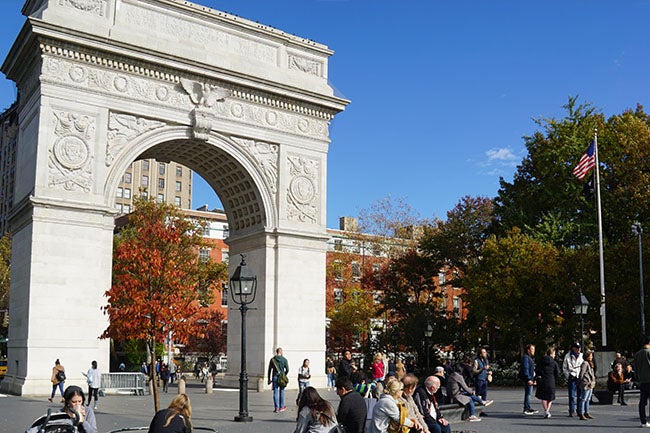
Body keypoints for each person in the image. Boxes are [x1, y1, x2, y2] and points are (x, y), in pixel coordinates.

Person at [535, 346, 560, 419]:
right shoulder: (554, 363)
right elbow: (557, 372)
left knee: (543, 397)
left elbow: (537, 370)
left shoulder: (541, 361)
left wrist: (537, 377)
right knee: (550, 397)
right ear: (551, 354)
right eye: (554, 354)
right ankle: (547, 410)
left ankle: (546, 410)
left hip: (542, 380)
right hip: (551, 380)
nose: (555, 355)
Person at [562, 342, 584, 417]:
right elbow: (564, 367)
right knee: (571, 395)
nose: (579, 350)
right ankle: (571, 410)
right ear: (573, 348)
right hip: (572, 377)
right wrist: (568, 375)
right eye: (577, 348)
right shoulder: (568, 356)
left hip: (580, 377)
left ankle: (580, 410)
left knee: (580, 395)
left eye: (579, 348)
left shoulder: (581, 355)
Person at [633, 335, 650, 428]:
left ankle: (643, 421)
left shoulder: (637, 354)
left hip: (642, 381)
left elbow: (635, 369)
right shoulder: (649, 352)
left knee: (642, 402)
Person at [268, 347, 289, 413]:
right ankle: (281, 406)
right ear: (281, 352)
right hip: (281, 377)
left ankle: (276, 408)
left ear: (276, 352)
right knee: (282, 391)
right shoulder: (284, 359)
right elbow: (287, 369)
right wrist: (284, 374)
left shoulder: (272, 360)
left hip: (275, 377)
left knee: (275, 392)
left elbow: (269, 370)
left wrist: (269, 378)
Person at [578, 350, 596, 420]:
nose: (592, 357)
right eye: (590, 355)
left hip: (590, 383)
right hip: (586, 383)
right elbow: (582, 373)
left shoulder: (590, 363)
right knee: (583, 399)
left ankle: (587, 412)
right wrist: (580, 381)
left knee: (588, 399)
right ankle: (581, 413)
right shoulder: (585, 363)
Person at [521, 344, 538, 415]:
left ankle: (528, 407)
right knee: (528, 393)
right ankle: (526, 409)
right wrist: (528, 379)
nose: (533, 351)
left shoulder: (529, 358)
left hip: (531, 378)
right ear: (528, 350)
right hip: (528, 378)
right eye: (532, 349)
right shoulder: (526, 358)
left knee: (529, 393)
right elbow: (526, 368)